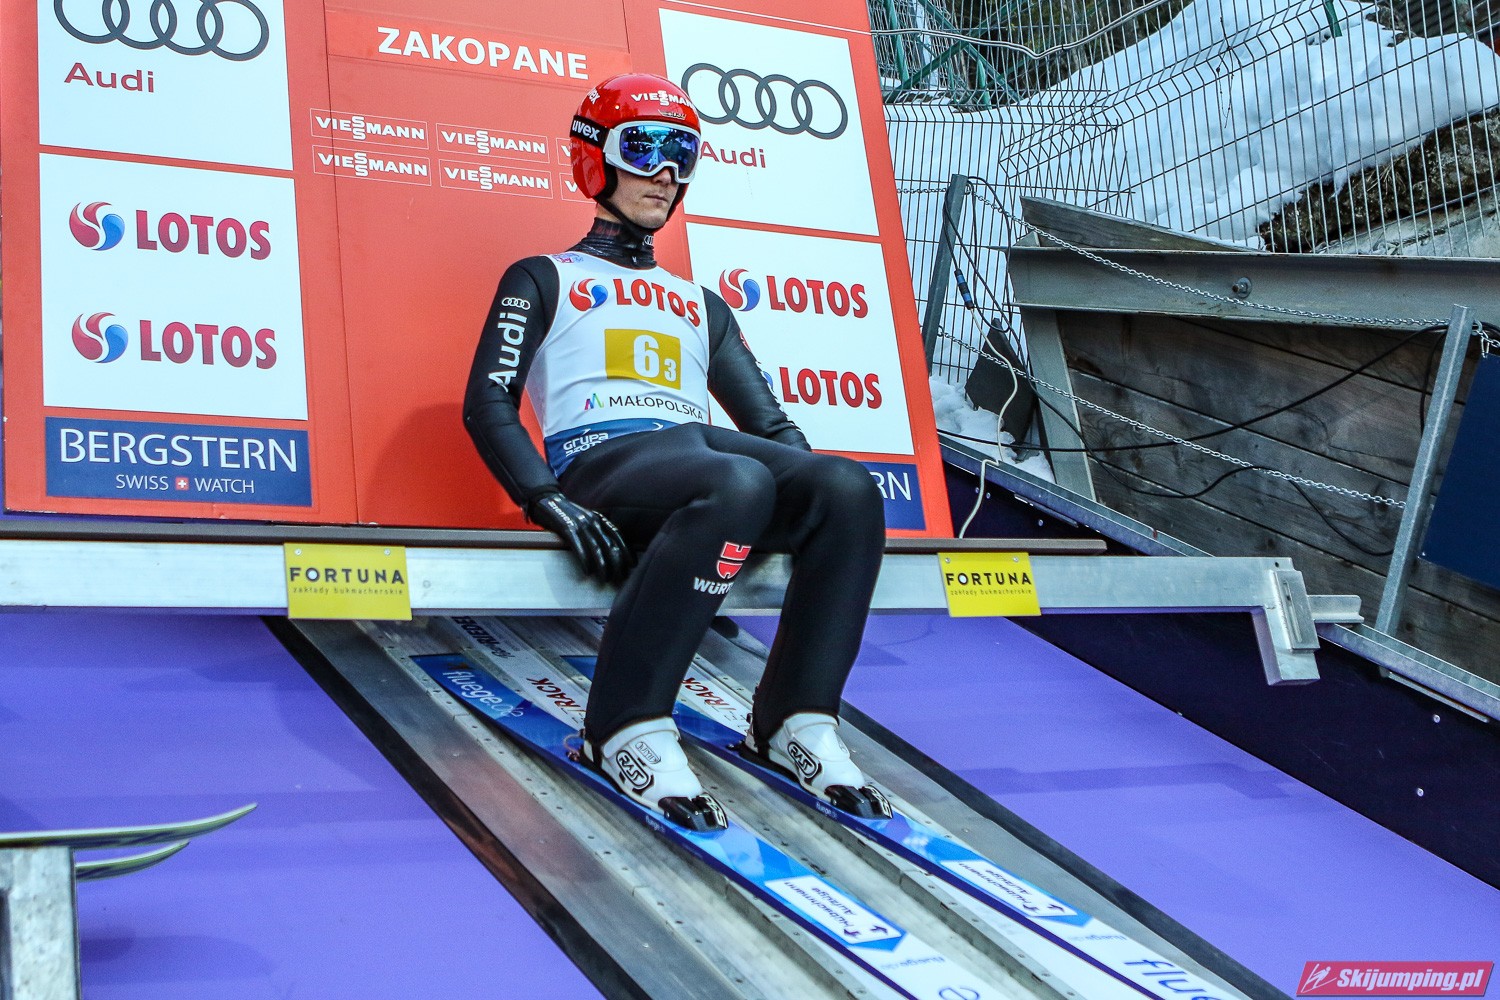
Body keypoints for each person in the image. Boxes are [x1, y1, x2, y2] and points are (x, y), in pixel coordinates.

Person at [463, 73, 889, 831]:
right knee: (736, 483)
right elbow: (488, 402)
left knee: (848, 489)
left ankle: (796, 722)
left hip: (696, 457)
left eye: (682, 154)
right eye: (643, 148)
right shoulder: (543, 277)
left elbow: (773, 431)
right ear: (595, 158)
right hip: (604, 459)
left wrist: (818, 501)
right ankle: (622, 729)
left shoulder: (700, 303)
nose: (665, 172)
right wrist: (544, 497)